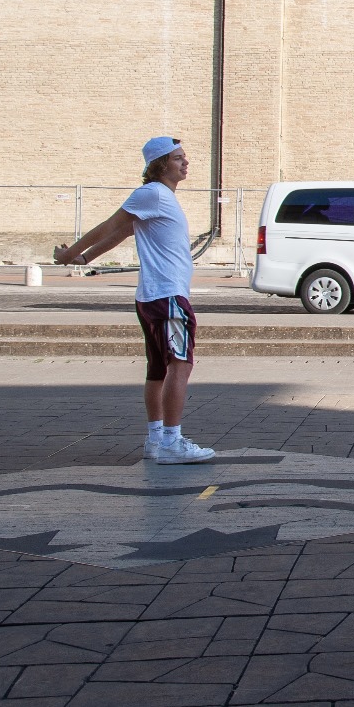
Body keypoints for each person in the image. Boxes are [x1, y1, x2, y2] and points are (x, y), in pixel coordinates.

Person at [53, 137, 215, 466]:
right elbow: (111, 224)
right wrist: (71, 254)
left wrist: (84, 259)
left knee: (158, 369)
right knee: (180, 364)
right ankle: (171, 442)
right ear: (160, 164)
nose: (185, 162)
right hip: (168, 295)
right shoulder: (153, 193)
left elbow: (123, 232)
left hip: (154, 295)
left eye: (184, 157)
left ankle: (156, 439)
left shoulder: (158, 197)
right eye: (177, 158)